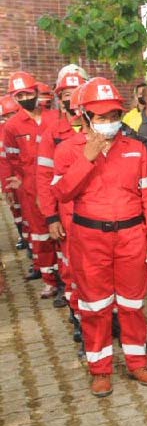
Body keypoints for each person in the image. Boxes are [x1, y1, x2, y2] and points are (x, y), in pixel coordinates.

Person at [52, 77, 147, 397]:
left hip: (132, 237)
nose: (110, 123)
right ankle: (100, 369)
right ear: (85, 117)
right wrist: (87, 156)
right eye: (101, 118)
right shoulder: (68, 151)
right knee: (95, 307)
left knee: (132, 304)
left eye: (114, 117)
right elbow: (61, 192)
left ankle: (137, 362)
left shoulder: (136, 149)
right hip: (89, 239)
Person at [1, 72, 60, 298]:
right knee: (40, 234)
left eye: (28, 92)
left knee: (61, 231)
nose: (25, 97)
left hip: (57, 185)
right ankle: (49, 280)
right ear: (15, 98)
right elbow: (8, 159)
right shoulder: (12, 126)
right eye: (20, 95)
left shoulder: (54, 118)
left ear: (36, 93)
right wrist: (11, 186)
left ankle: (65, 278)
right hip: (30, 189)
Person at [37, 69, 86, 311]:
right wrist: (51, 217)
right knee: (71, 268)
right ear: (59, 98)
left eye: (78, 91)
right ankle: (79, 318)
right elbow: (44, 180)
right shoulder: (52, 135)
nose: (73, 97)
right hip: (68, 214)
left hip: (100, 214)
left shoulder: (100, 129)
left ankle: (110, 320)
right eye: (67, 93)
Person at [0, 94, 26, 251]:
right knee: (16, 209)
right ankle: (22, 237)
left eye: (13, 114)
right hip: (9, 178)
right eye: (6, 116)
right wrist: (6, 187)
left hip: (25, 177)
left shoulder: (24, 128)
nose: (9, 118)